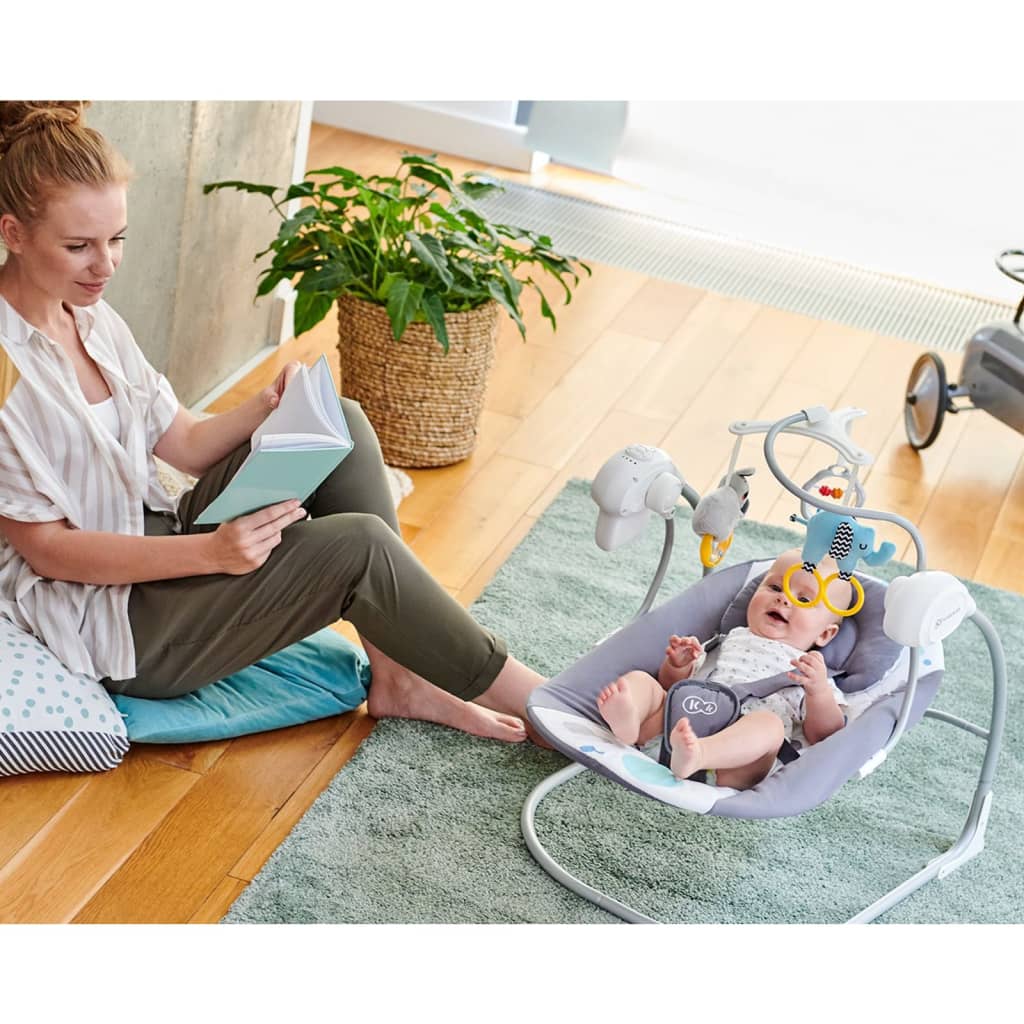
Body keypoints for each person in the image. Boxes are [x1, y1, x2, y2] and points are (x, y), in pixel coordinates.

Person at [0, 100, 545, 744]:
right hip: (121, 625)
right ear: (13, 233)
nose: (106, 264)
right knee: (357, 547)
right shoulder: (8, 372)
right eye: (79, 246)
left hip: (161, 542)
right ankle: (551, 709)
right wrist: (210, 552)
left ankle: (400, 677)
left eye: (116, 239)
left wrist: (269, 406)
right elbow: (50, 551)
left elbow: (183, 443)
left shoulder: (91, 317)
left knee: (341, 424)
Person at [596, 548, 851, 788]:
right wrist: (678, 664)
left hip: (732, 763)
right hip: (679, 724)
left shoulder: (812, 672)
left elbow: (823, 735)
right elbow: (672, 686)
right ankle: (629, 726)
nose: (783, 598)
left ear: (825, 634)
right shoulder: (729, 639)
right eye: (775, 587)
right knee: (643, 681)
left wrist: (818, 692)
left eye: (804, 599)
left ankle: (700, 754)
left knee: (769, 726)